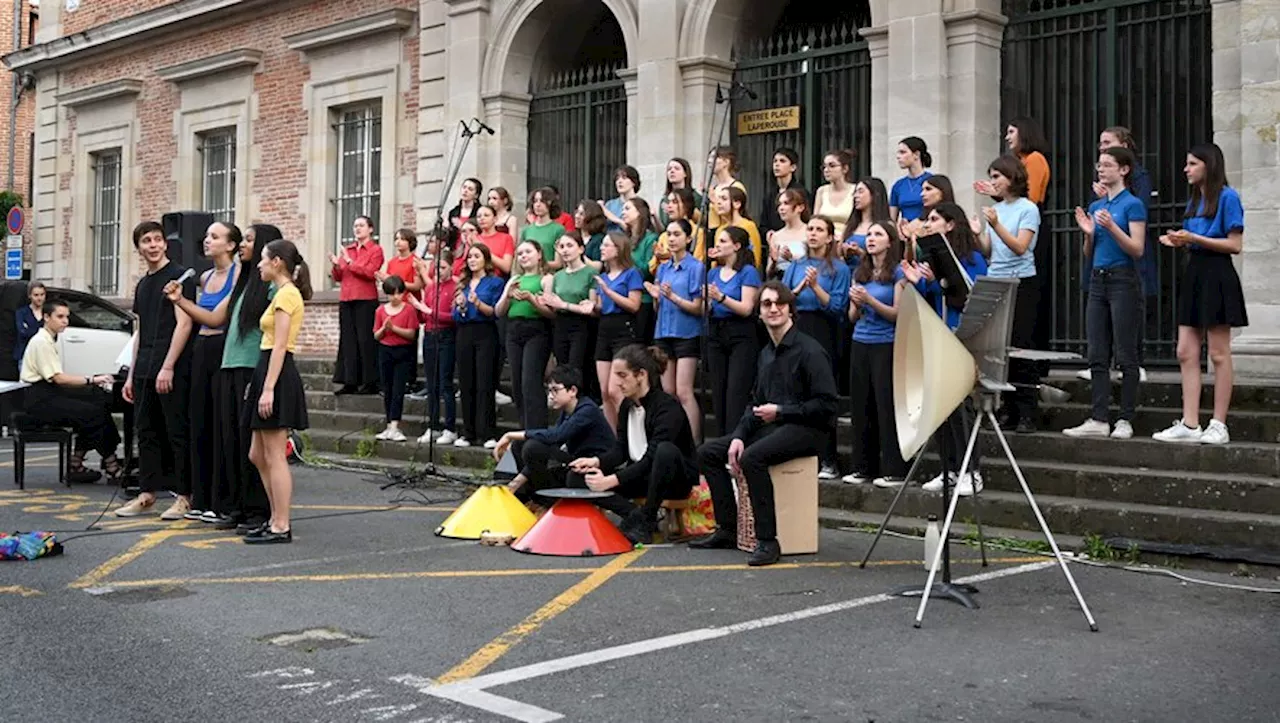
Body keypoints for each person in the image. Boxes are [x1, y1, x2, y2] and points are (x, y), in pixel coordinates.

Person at [693, 281, 839, 566]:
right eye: (767, 304)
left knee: (752, 458)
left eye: (779, 304)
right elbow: (754, 404)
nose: (773, 309)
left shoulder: (810, 351)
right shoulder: (765, 354)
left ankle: (768, 540)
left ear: (791, 311)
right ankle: (727, 527)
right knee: (708, 453)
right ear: (759, 313)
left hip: (810, 429)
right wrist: (738, 435)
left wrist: (782, 412)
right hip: (775, 425)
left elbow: (827, 406)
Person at [166, 223, 278, 532]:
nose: (244, 244)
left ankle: (259, 511)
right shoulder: (244, 282)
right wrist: (180, 301)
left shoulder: (271, 285)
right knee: (229, 440)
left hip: (250, 366)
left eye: (250, 240)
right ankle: (237, 506)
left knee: (249, 445)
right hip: (229, 364)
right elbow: (215, 318)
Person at [1153, 143, 1247, 446]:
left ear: (1209, 165)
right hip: (1195, 272)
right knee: (1185, 351)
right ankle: (1190, 422)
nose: (1186, 169)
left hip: (1218, 274)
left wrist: (1194, 238)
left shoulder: (1228, 197)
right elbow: (1195, 238)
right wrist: (1180, 240)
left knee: (1219, 352)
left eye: (1192, 163)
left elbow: (1235, 244)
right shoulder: (1195, 200)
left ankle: (1219, 423)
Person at [569, 344, 699, 544]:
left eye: (623, 375)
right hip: (639, 475)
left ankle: (646, 520)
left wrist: (613, 480)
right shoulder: (626, 406)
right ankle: (634, 515)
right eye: (616, 375)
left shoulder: (667, 407)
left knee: (664, 451)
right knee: (576, 477)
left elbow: (653, 457)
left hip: (671, 479)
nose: (617, 383)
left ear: (641, 375)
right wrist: (595, 462)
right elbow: (620, 451)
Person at [114, 221, 198, 520]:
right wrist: (132, 372)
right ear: (138, 247)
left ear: (165, 244)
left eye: (158, 239)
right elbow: (141, 329)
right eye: (147, 240)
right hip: (145, 365)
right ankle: (147, 494)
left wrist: (168, 366)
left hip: (170, 364)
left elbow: (185, 323)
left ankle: (185, 496)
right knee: (145, 432)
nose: (153, 245)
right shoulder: (143, 284)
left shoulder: (178, 276)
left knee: (176, 431)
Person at [1064, 147, 1147, 441]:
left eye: (1108, 165)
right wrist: (1088, 232)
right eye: (1099, 165)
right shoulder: (1097, 204)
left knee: (1126, 353)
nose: (1101, 170)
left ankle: (1125, 418)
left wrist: (1111, 227)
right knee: (1097, 353)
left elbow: (1137, 248)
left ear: (1123, 170)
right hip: (1098, 280)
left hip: (1123, 279)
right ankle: (1099, 417)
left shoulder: (1132, 204)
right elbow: (1090, 254)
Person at [905, 203, 989, 497]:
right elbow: (929, 300)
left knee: (961, 405)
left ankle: (971, 470)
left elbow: (972, 293)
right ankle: (950, 469)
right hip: (937, 333)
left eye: (935, 219)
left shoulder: (972, 258)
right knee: (941, 405)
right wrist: (919, 284)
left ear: (951, 224)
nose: (928, 223)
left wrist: (939, 282)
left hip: (963, 334)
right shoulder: (930, 258)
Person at [244, 239, 312, 544]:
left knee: (274, 454)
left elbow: (281, 345)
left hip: (278, 372)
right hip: (266, 368)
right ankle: (274, 517)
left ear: (277, 263)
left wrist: (268, 388)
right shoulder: (279, 293)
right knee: (257, 454)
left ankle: (281, 524)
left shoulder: (287, 294)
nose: (258, 264)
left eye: (263, 259)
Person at [1079, 126, 1157, 383]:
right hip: (1101, 261)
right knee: (1100, 322)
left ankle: (1134, 364)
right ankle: (1102, 367)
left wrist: (1112, 210)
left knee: (1129, 314)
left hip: (1127, 263)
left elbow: (1138, 210)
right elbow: (1097, 220)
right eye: (1100, 145)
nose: (1102, 148)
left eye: (1107, 143)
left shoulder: (1138, 179)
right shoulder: (1099, 195)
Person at [974, 155, 1042, 433]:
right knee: (999, 348)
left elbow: (1021, 247)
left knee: (1021, 346)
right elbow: (989, 251)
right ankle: (1008, 408)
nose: (993, 183)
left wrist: (996, 224)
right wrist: (979, 233)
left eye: (997, 177)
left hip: (1021, 281)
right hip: (997, 278)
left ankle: (1027, 411)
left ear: (1012, 178)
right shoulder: (996, 209)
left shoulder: (1028, 209)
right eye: (991, 177)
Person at [20, 299, 122, 482]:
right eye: (60, 317)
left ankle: (77, 463)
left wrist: (93, 384)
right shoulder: (41, 342)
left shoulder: (49, 338)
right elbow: (58, 378)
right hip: (38, 400)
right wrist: (92, 379)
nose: (65, 321)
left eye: (67, 317)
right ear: (46, 317)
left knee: (98, 400)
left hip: (48, 392)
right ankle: (111, 463)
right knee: (92, 412)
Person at [781, 217, 850, 478]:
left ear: (830, 237)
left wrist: (816, 287)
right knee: (794, 391)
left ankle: (829, 459)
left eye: (820, 230)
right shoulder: (796, 266)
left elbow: (837, 307)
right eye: (810, 229)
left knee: (822, 394)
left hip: (824, 330)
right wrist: (800, 286)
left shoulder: (839, 269)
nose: (813, 234)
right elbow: (783, 298)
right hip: (797, 327)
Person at [842, 221, 909, 487]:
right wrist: (858, 304)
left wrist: (870, 301)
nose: (871, 239)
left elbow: (898, 314)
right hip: (861, 340)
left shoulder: (899, 272)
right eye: (869, 234)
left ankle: (893, 469)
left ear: (890, 241)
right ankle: (862, 467)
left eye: (878, 234)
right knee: (861, 406)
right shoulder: (860, 271)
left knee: (886, 405)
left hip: (886, 343)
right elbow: (851, 317)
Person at [493, 365, 615, 503]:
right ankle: (537, 497)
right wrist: (518, 480)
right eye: (549, 390)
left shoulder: (587, 410)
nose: (551, 396)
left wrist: (510, 435)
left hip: (596, 466)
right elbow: (553, 441)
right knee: (521, 445)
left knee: (532, 447)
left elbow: (556, 435)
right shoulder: (566, 411)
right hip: (576, 462)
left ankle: (545, 501)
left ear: (572, 390)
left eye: (556, 390)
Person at [185, 221, 240, 523]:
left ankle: (220, 500)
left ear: (230, 245)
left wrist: (180, 301)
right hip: (201, 349)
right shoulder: (205, 276)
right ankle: (200, 497)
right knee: (199, 420)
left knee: (220, 422)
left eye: (215, 237)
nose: (207, 241)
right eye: (206, 235)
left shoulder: (237, 273)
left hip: (221, 348)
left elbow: (217, 319)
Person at [647, 219, 705, 441]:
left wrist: (672, 297)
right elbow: (659, 305)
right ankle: (674, 439)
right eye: (668, 234)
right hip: (664, 332)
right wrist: (657, 298)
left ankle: (694, 442)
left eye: (677, 234)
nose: (671, 239)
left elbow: (697, 306)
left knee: (684, 391)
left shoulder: (696, 267)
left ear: (688, 239)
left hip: (687, 332)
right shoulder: (663, 268)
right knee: (667, 392)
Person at [705, 226, 761, 437]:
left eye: (723, 241)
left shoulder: (748, 272)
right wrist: (709, 300)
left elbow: (747, 308)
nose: (717, 245)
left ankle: (735, 440)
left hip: (740, 332)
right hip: (716, 331)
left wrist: (721, 297)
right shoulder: (712, 272)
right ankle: (721, 440)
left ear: (736, 246)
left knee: (736, 392)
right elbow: (709, 307)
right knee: (718, 391)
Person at [498, 240, 555, 434]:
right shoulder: (514, 279)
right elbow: (499, 311)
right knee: (517, 383)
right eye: (520, 253)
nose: (523, 256)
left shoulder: (546, 278)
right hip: (514, 330)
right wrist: (508, 296)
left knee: (530, 381)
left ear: (539, 254)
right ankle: (524, 428)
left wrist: (531, 299)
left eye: (528, 252)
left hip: (536, 329)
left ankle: (537, 430)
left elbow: (550, 312)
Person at [453, 243, 504, 448]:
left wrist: (477, 303)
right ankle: (468, 432)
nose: (472, 260)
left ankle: (487, 432)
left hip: (485, 332)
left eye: (476, 256)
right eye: (469, 257)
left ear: (485, 259)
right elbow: (456, 314)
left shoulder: (494, 282)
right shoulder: (463, 284)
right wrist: (463, 307)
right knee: (466, 383)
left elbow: (494, 311)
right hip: (464, 332)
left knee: (485, 382)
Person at [592, 232, 643, 429]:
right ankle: (612, 438)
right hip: (604, 329)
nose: (602, 249)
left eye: (606, 245)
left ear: (618, 249)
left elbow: (634, 305)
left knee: (617, 390)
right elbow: (599, 306)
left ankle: (626, 434)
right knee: (605, 391)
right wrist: (592, 306)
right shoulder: (603, 277)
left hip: (623, 328)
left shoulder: (631, 273)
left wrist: (609, 292)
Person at [408, 246, 458, 445]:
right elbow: (424, 315)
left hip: (446, 336)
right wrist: (419, 310)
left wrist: (427, 311)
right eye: (436, 268)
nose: (439, 272)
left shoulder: (455, 287)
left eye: (443, 267)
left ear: (451, 268)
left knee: (445, 382)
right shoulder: (430, 288)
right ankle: (433, 425)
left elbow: (453, 317)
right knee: (432, 383)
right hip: (430, 335)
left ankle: (450, 427)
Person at [330, 215, 384, 395]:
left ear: (370, 229)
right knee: (348, 341)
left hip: (366, 299)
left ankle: (370, 381)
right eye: (355, 226)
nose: (357, 229)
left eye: (361, 225)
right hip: (346, 298)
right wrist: (337, 265)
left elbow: (370, 273)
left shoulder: (376, 250)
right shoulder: (349, 249)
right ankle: (349, 380)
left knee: (365, 340)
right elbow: (339, 277)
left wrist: (350, 262)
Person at [544, 232, 598, 378]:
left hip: (581, 325)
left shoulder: (590, 273)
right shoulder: (558, 276)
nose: (565, 250)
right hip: (560, 324)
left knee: (577, 368)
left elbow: (592, 309)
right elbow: (554, 305)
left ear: (580, 249)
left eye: (569, 245)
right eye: (561, 247)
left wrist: (564, 304)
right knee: (562, 366)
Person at [372, 276, 419, 442]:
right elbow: (376, 335)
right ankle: (388, 424)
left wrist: (394, 328)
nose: (396, 297)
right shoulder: (380, 311)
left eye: (399, 293)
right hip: (385, 350)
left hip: (402, 351)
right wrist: (385, 329)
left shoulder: (408, 310)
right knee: (388, 388)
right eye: (392, 294)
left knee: (398, 388)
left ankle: (395, 425)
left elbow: (411, 334)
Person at [650, 187, 706, 272]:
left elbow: (698, 263)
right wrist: (658, 257)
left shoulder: (697, 232)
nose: (669, 205)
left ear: (686, 205)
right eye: (669, 202)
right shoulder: (664, 236)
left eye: (675, 202)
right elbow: (653, 269)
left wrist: (670, 256)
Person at [1004, 117, 1051, 205]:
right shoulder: (1023, 161)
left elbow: (1031, 197)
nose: (1007, 138)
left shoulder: (1034, 158)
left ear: (1023, 133)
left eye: (1011, 132)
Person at [841, 177, 890, 263]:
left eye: (860, 191)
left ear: (874, 194)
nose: (855, 196)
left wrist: (860, 253)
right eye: (855, 192)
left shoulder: (887, 225)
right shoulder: (851, 224)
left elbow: (890, 259)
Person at [713, 186, 763, 269]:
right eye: (718, 199)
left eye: (724, 199)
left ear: (737, 204)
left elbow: (755, 257)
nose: (718, 202)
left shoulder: (748, 226)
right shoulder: (720, 230)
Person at [760, 147, 806, 234]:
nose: (777, 164)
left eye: (782, 161)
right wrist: (768, 233)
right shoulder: (770, 195)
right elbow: (763, 225)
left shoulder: (800, 193)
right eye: (775, 161)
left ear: (793, 167)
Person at [767, 188, 810, 278]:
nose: (781, 208)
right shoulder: (776, 236)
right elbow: (768, 273)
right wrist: (774, 261)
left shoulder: (809, 232)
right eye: (779, 205)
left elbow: (816, 265)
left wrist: (792, 258)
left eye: (786, 203)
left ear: (800, 208)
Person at [522, 187, 568, 271]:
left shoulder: (558, 230)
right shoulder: (526, 230)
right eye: (535, 201)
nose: (538, 205)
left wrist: (537, 263)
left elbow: (558, 263)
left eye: (542, 201)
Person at [814, 149, 857, 238]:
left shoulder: (855, 190)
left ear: (845, 169)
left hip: (848, 239)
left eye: (832, 166)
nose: (826, 170)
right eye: (824, 167)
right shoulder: (822, 191)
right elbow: (816, 220)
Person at [890, 137, 934, 222]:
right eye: (898, 153)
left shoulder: (931, 181)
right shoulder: (898, 185)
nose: (898, 157)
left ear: (916, 154)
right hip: (904, 231)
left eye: (903, 152)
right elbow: (892, 219)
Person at [705, 146, 745, 230]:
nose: (709, 161)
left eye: (714, 157)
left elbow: (735, 214)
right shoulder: (715, 188)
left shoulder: (736, 186)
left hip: (728, 231)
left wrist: (714, 201)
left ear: (726, 162)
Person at [378, 228, 425, 297]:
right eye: (396, 239)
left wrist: (392, 281)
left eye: (402, 239)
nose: (398, 242)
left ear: (410, 242)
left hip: (410, 302)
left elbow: (417, 286)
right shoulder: (391, 262)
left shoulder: (416, 261)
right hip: (395, 302)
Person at [659, 157, 702, 227]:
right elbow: (663, 226)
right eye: (669, 169)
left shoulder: (695, 197)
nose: (672, 171)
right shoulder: (665, 200)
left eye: (677, 168)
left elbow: (702, 221)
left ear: (685, 173)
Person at [601, 164, 643, 234]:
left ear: (633, 182)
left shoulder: (640, 204)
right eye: (617, 179)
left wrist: (614, 218)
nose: (619, 181)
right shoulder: (610, 204)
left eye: (624, 178)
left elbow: (637, 231)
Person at [475, 205, 516, 277]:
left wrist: (484, 251)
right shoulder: (475, 239)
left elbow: (507, 267)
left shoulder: (506, 238)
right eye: (479, 216)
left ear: (495, 219)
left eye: (486, 215)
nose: (482, 218)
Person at [13, 281, 44, 364]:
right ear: (30, 295)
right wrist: (43, 332)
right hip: (25, 355)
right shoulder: (22, 312)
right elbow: (23, 332)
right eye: (36, 295)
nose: (39, 298)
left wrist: (31, 330)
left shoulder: (48, 312)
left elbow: (54, 334)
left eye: (42, 294)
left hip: (44, 355)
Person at [447, 177, 484, 243]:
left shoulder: (480, 212)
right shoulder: (453, 212)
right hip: (455, 248)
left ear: (476, 195)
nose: (465, 191)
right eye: (464, 187)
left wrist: (461, 226)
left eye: (470, 189)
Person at [576, 200, 608, 269]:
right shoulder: (574, 236)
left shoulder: (599, 239)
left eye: (581, 214)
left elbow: (598, 267)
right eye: (577, 212)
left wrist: (577, 255)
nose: (576, 216)